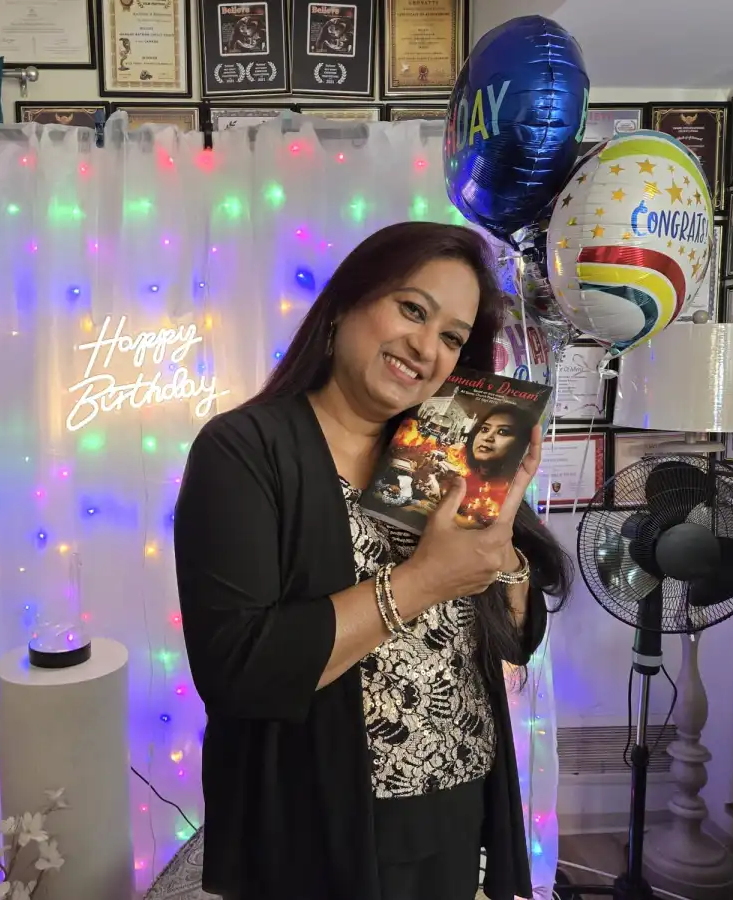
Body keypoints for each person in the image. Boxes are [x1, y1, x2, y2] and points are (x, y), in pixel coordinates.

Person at [173, 221, 573, 900]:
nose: (426, 347)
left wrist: (501, 547)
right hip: (320, 822)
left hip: (458, 800)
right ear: (344, 304)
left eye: (451, 337)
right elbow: (238, 669)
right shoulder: (245, 448)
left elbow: (516, 637)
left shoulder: (441, 444)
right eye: (412, 310)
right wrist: (421, 581)